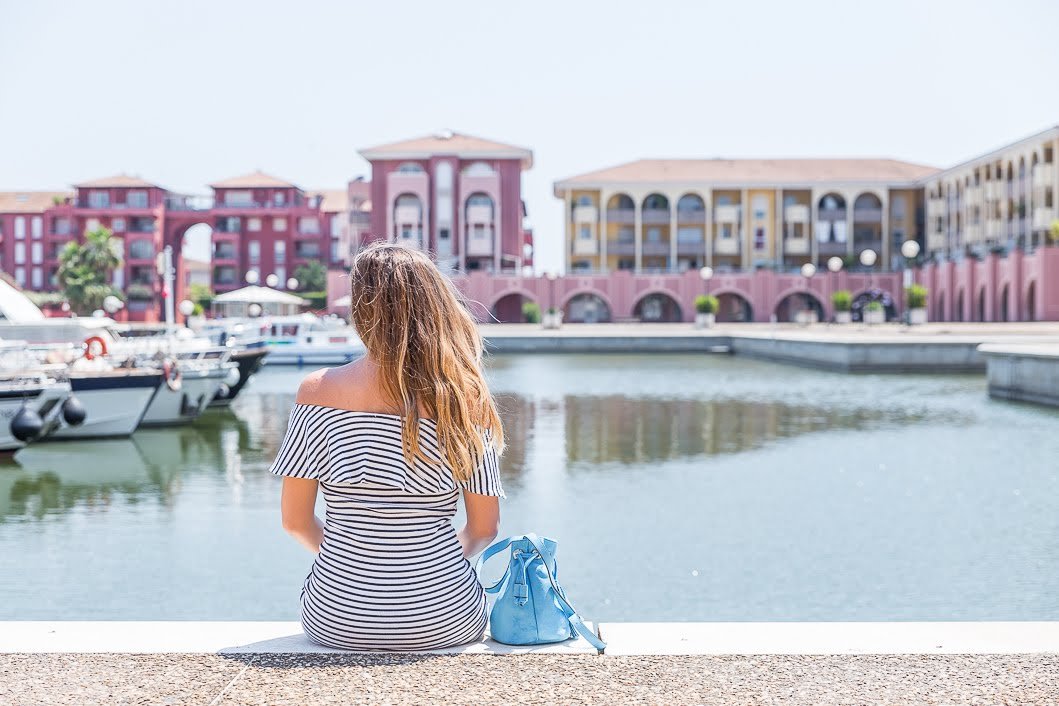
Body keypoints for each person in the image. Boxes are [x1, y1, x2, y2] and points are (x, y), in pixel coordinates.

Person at [270, 242, 505, 651]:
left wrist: (354, 565)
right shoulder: (466, 400)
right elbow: (484, 528)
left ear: (361, 311)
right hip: (443, 617)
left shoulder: (317, 392)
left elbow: (295, 522)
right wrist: (432, 566)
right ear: (436, 305)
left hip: (336, 617)